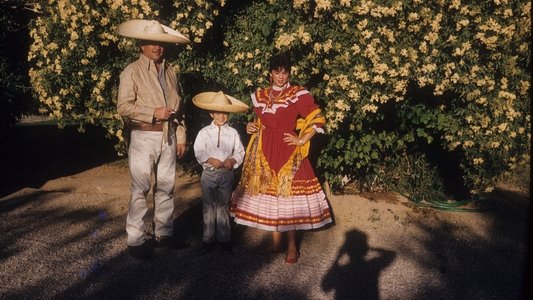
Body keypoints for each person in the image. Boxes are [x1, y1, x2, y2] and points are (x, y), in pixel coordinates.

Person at [231, 53, 332, 264]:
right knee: (271, 195)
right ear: (270, 73)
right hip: (264, 150)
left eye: (285, 72)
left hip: (287, 150)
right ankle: (276, 243)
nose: (281, 76)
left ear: (289, 73)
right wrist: (252, 126)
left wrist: (302, 138)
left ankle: (292, 247)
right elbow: (261, 121)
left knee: (288, 198)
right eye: (277, 72)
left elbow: (317, 117)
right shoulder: (260, 95)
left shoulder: (297, 94)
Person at [116, 19, 190, 260]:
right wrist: (152, 112)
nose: (157, 47)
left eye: (161, 43)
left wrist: (181, 136)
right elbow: (123, 106)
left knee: (167, 187)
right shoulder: (131, 71)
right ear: (141, 45)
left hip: (168, 136)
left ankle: (164, 234)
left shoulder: (170, 72)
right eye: (152, 43)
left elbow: (179, 109)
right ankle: (135, 239)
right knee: (140, 188)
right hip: (143, 135)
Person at [192, 91, 248, 255]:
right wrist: (210, 160)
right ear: (211, 113)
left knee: (223, 205)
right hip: (209, 173)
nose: (222, 116)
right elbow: (198, 150)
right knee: (209, 206)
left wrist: (232, 161)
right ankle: (208, 239)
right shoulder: (204, 132)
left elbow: (240, 152)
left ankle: (224, 239)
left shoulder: (233, 133)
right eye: (218, 113)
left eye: (225, 113)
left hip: (226, 174)